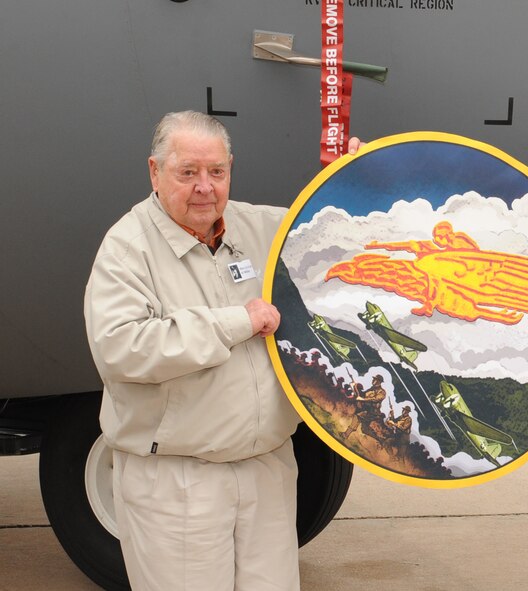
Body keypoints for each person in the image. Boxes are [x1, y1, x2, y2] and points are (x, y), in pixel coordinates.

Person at [84, 111, 359, 590]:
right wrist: (237, 322)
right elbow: (121, 348)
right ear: (154, 171)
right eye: (187, 172)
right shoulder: (127, 248)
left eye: (216, 172)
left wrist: (350, 183)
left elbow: (333, 240)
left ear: (230, 168)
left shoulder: (260, 227)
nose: (204, 187)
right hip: (176, 479)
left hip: (266, 470)